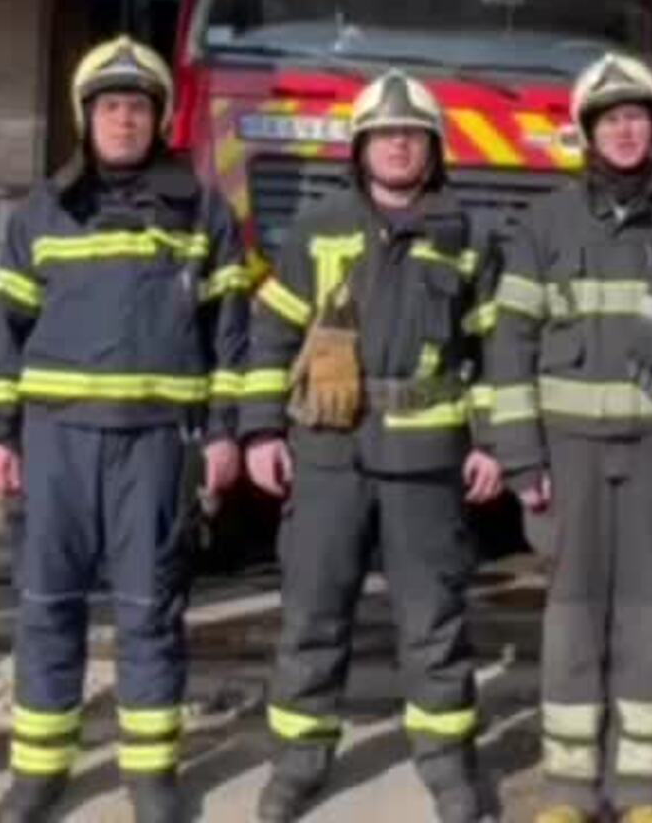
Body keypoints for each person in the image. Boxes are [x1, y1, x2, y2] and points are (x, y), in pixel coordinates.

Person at [0, 36, 245, 823]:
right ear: (85, 117)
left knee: (149, 608)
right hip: (56, 439)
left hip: (156, 443)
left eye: (137, 108)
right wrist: (1, 434)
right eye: (110, 108)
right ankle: (39, 771)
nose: (124, 121)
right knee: (46, 606)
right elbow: (6, 329)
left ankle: (151, 773)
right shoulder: (43, 210)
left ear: (159, 119)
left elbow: (229, 334)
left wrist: (226, 432)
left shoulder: (203, 211)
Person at [486, 52, 652, 823]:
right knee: (570, 622)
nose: (626, 131)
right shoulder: (547, 223)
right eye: (611, 120)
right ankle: (568, 793)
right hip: (567, 457)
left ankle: (641, 794)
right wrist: (521, 456)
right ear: (588, 133)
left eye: (637, 117)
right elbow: (510, 344)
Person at [240, 71, 502, 823]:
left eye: (410, 136)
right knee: (313, 614)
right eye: (384, 135)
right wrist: (260, 428)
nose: (397, 146)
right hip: (327, 454)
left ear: (432, 149)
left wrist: (489, 442)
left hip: (427, 463)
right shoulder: (318, 228)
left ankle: (450, 767)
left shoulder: (468, 237)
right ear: (359, 150)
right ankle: (297, 763)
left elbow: (493, 352)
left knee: (434, 621)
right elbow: (272, 333)